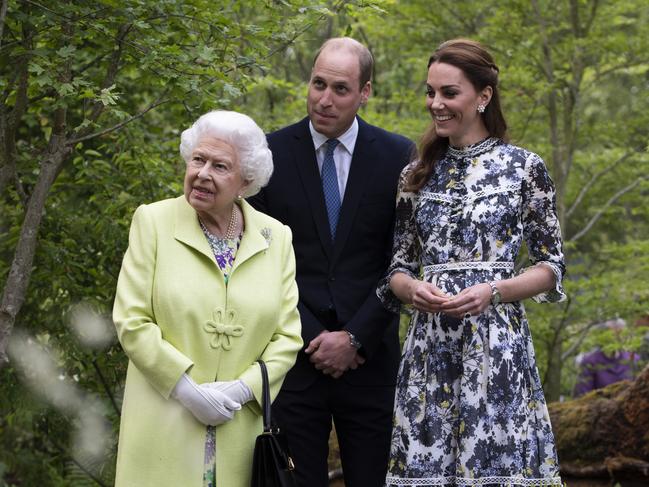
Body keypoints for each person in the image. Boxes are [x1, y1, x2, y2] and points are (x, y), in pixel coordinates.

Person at [377, 39, 566, 486]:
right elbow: (398, 268)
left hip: (497, 348)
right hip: (429, 352)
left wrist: (494, 291)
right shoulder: (415, 174)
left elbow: (551, 266)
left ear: (483, 96)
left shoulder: (524, 168)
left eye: (449, 93)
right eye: (430, 92)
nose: (436, 104)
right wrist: (413, 289)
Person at [248, 37, 414, 487]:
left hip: (371, 361)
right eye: (318, 83)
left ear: (365, 93)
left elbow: (405, 258)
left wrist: (356, 337)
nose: (324, 99)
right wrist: (316, 337)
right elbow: (258, 261)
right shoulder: (268, 155)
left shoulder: (399, 156)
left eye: (340, 89)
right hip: (293, 360)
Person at [112, 110, 303, 487]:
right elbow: (132, 321)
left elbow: (288, 336)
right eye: (198, 160)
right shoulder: (153, 222)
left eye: (220, 166)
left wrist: (242, 388)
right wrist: (186, 389)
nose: (202, 173)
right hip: (163, 423)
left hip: (239, 427)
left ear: (246, 181)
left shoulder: (275, 237)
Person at [574, 318, 639, 396]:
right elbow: (582, 395)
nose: (617, 338)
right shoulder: (590, 361)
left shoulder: (633, 359)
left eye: (620, 333)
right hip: (599, 406)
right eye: (613, 334)